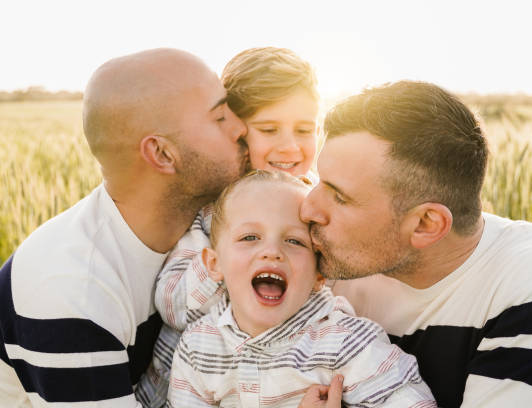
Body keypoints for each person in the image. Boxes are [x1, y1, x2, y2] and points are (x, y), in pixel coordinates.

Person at [299, 81, 532, 408]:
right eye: (317, 181)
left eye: (339, 197)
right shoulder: (317, 265)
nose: (307, 209)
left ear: (427, 224)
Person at [0, 48, 247, 407]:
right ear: (162, 154)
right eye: (220, 117)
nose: (242, 127)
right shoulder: (73, 292)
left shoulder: (203, 228)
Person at [137, 47, 321, 406]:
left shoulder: (316, 208)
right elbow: (174, 306)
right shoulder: (213, 211)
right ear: (236, 131)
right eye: (269, 129)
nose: (291, 146)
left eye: (305, 129)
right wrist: (228, 260)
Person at [166, 170, 437, 407]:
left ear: (319, 275)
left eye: (294, 241)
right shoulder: (198, 346)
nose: (272, 252)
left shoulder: (346, 341)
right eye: (250, 237)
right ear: (214, 264)